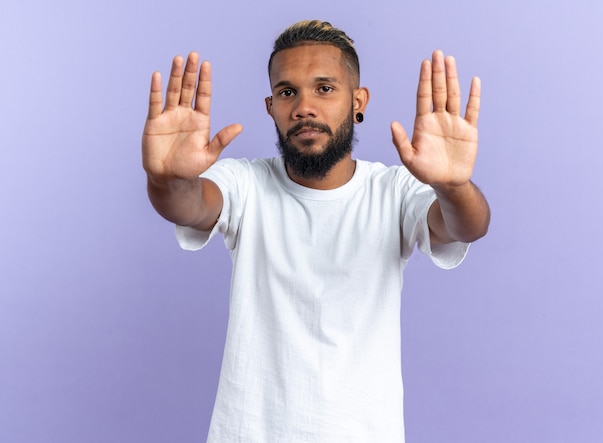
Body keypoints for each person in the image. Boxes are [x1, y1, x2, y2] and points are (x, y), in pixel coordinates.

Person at [142, 19, 490, 443]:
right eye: (288, 91)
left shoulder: (393, 190)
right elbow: (189, 205)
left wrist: (453, 186)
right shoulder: (245, 184)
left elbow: (465, 225)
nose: (304, 106)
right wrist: (166, 180)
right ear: (271, 106)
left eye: (325, 88)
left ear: (358, 101)